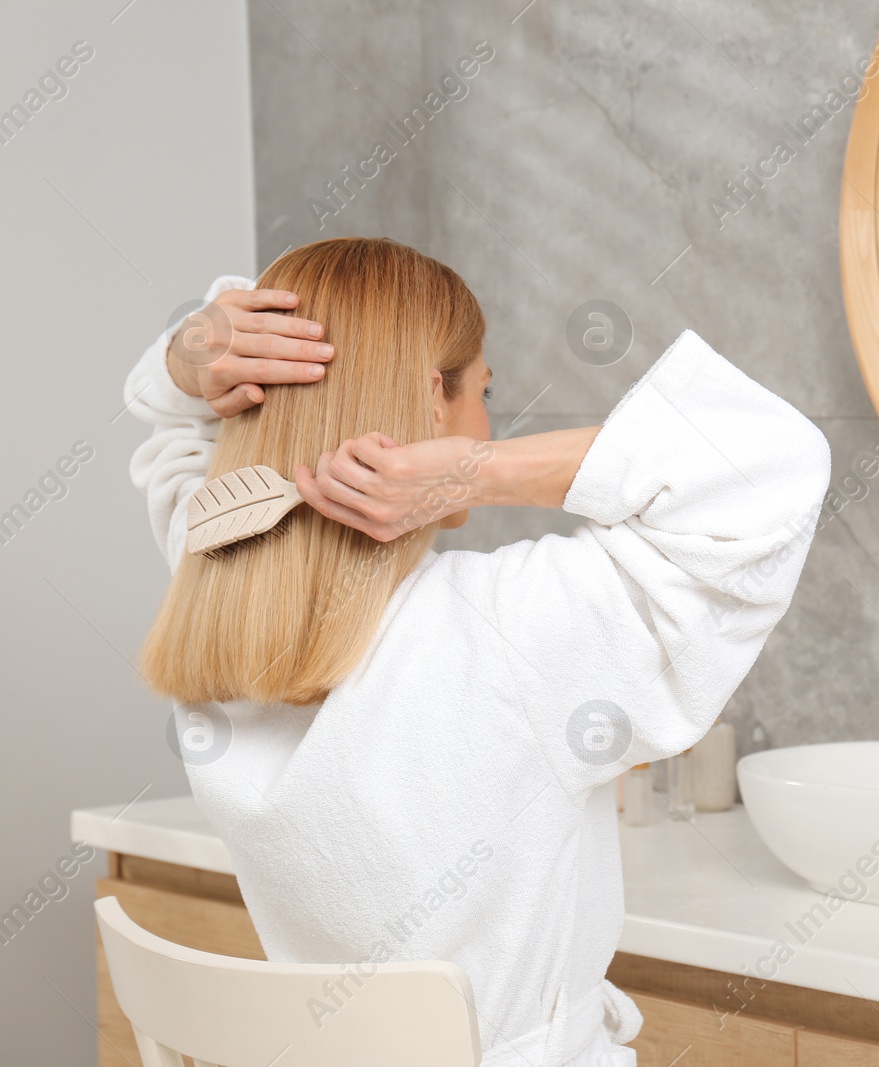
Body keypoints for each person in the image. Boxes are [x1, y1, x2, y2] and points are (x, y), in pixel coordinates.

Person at [126, 236, 830, 1066]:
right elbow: (772, 466)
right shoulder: (511, 631)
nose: (489, 423)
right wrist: (481, 471)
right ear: (434, 399)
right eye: (483, 395)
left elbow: (175, 429)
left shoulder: (216, 600)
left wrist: (187, 355)